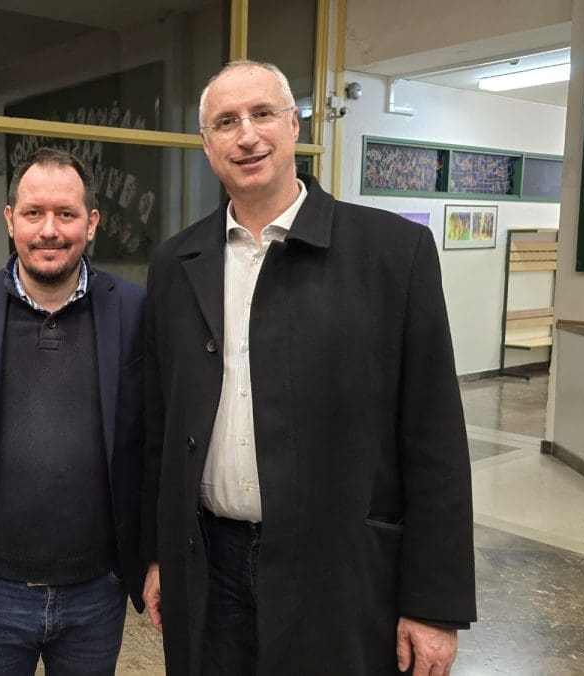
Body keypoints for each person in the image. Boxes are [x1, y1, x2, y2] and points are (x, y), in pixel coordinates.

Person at [140, 61, 476, 676]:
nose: (247, 135)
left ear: (295, 125)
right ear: (206, 145)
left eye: (262, 114)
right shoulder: (176, 263)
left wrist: (434, 603)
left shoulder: (391, 254)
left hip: (338, 572)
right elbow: (158, 424)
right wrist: (160, 555)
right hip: (210, 565)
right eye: (225, 122)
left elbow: (435, 438)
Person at [0, 147, 146, 675]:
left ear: (92, 223)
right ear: (10, 220)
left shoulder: (136, 309)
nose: (49, 230)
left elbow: (150, 438)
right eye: (33, 213)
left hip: (97, 590)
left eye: (66, 214)